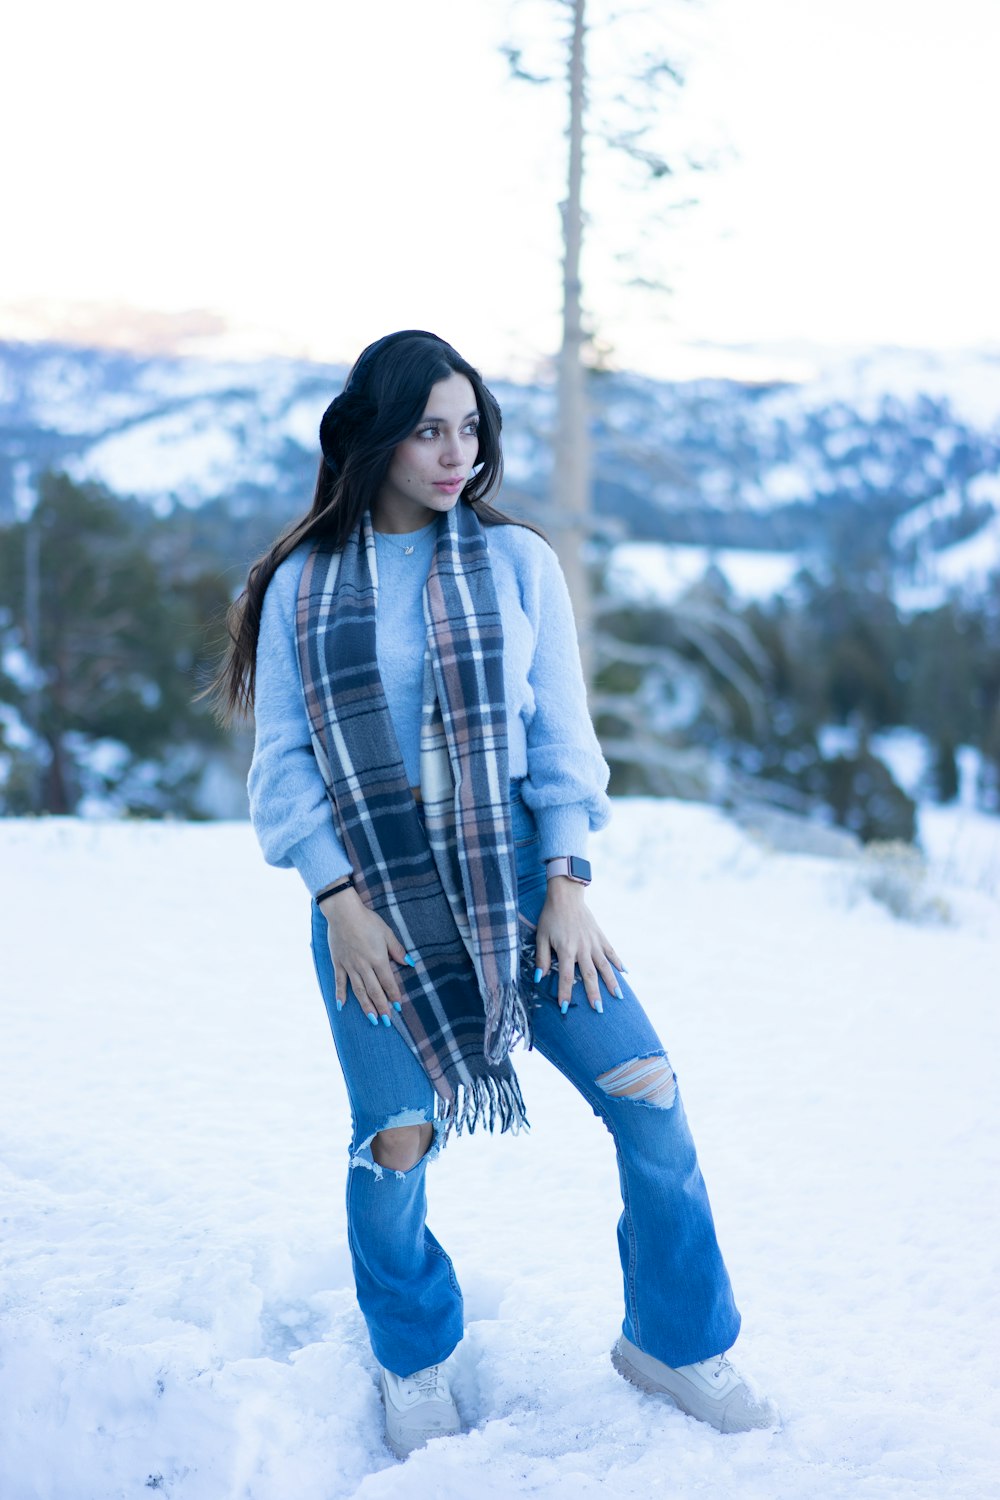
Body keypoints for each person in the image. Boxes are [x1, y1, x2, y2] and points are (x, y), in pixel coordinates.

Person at [211, 330, 778, 1458]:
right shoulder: (301, 587)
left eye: (469, 427)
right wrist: (335, 901)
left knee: (649, 1095)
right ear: (374, 436)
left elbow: (564, 737)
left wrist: (567, 880)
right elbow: (282, 768)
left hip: (520, 879)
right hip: (369, 901)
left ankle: (674, 1336)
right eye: (428, 429)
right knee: (396, 1142)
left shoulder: (518, 564)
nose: (455, 452)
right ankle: (414, 1354)